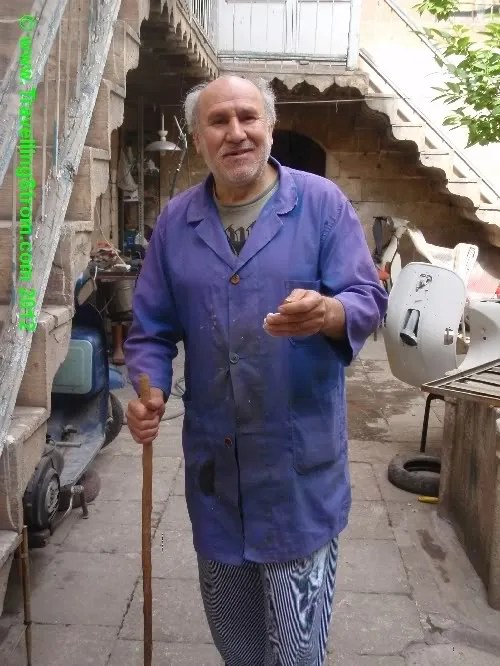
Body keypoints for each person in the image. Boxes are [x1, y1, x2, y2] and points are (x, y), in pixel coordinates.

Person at [124, 75, 388, 666]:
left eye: (248, 117)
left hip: (297, 475)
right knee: (237, 646)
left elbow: (368, 297)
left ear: (270, 125)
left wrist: (329, 312)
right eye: (218, 121)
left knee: (296, 652)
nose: (236, 132)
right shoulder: (175, 223)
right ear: (198, 138)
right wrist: (149, 389)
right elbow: (150, 330)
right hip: (217, 476)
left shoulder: (321, 204)